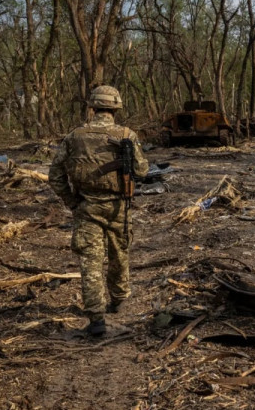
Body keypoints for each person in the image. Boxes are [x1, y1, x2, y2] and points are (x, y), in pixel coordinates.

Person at [49, 85, 149, 336]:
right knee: (119, 253)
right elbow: (143, 171)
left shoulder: (75, 136)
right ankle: (118, 298)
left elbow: (55, 174)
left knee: (90, 262)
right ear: (116, 107)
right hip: (118, 208)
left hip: (87, 207)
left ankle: (96, 318)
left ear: (92, 107)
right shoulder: (128, 134)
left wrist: (71, 201)